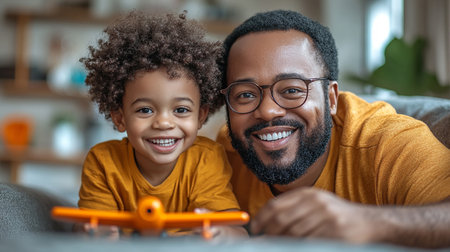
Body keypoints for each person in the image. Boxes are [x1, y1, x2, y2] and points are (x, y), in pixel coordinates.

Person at [216, 9, 450, 248]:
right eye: (245, 94)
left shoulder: (387, 142)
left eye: (292, 90)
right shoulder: (228, 153)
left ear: (331, 98)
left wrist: (371, 223)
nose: (267, 111)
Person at [78, 11, 246, 239]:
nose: (164, 123)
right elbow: (87, 229)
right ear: (120, 117)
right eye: (145, 110)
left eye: (181, 110)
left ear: (200, 117)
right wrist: (98, 234)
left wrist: (221, 234)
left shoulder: (207, 158)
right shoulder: (103, 162)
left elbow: (237, 232)